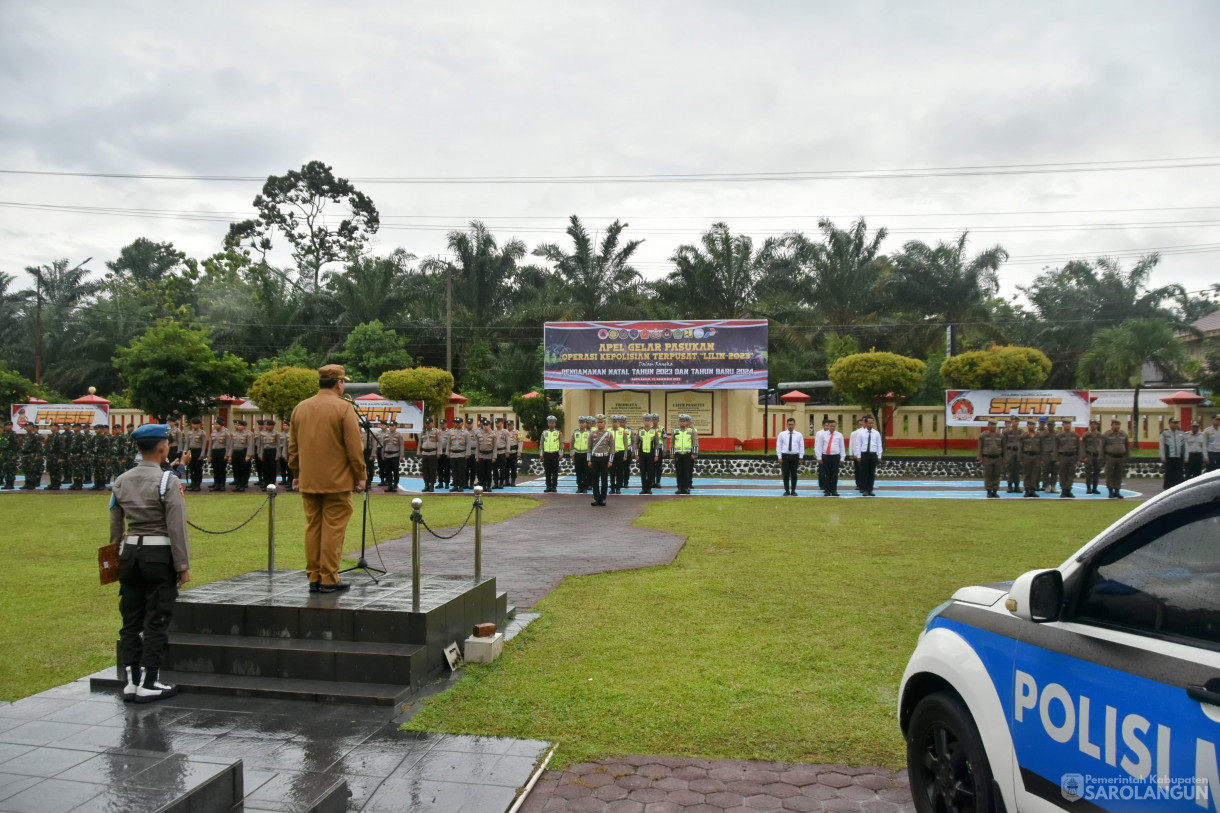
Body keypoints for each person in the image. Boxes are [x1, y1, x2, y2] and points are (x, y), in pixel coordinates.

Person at [110, 423, 190, 703]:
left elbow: (115, 526)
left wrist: (114, 558)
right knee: (156, 618)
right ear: (162, 447)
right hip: (158, 555)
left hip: (129, 553)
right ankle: (150, 681)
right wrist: (182, 565)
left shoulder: (121, 480)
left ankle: (131, 681)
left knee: (130, 620)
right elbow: (176, 527)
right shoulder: (169, 481)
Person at [288, 364, 367, 594]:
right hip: (337, 482)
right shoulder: (344, 408)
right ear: (339, 383)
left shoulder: (300, 408)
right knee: (333, 529)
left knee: (313, 527)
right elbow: (354, 448)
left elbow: (293, 449)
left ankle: (313, 576)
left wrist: (296, 474)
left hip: (310, 481)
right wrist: (360, 474)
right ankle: (329, 578)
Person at [852, 415, 882, 497]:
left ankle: (870, 489)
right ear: (865, 423)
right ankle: (865, 489)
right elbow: (858, 445)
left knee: (871, 473)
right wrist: (858, 455)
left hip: (873, 454)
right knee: (864, 472)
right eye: (869, 423)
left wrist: (879, 456)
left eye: (872, 423)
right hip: (864, 454)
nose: (871, 424)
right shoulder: (861, 433)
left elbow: (879, 445)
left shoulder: (876, 433)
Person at [587, 413, 613, 506]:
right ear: (596, 423)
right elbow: (589, 448)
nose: (600, 424)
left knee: (604, 479)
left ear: (605, 423)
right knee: (595, 479)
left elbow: (612, 448)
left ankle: (603, 499)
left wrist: (610, 460)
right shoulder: (592, 434)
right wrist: (589, 460)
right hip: (595, 458)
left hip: (604, 458)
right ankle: (596, 498)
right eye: (598, 422)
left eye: (601, 422)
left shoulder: (609, 434)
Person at [814, 418, 844, 497]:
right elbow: (819, 446)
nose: (832, 428)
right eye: (831, 426)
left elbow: (842, 447)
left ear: (835, 426)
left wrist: (842, 457)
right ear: (828, 426)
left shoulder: (839, 435)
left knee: (834, 474)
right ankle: (827, 490)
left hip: (835, 456)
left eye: (834, 426)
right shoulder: (823, 435)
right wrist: (819, 457)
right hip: (826, 456)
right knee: (826, 474)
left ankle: (834, 490)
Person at [1055, 418, 1083, 498]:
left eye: (1069, 424)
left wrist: (1078, 459)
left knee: (1070, 474)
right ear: (1062, 425)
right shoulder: (1059, 435)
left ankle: (1068, 490)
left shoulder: (1075, 435)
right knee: (1063, 474)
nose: (1067, 425)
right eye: (1065, 424)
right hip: (1062, 456)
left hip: (1072, 456)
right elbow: (1056, 448)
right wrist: (1056, 459)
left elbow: (1078, 448)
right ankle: (1063, 490)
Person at [671, 413, 699, 494]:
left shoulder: (691, 431)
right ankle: (680, 488)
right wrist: (672, 453)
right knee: (679, 472)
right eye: (681, 421)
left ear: (687, 422)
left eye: (684, 421)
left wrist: (694, 453)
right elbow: (672, 443)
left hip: (688, 454)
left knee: (686, 472)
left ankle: (686, 488)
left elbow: (695, 442)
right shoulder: (675, 431)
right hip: (678, 454)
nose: (682, 423)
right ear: (679, 422)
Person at [776, 417, 804, 496]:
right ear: (786, 425)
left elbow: (801, 446)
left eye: (792, 424)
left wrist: (801, 457)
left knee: (794, 474)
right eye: (789, 424)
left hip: (795, 456)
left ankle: (793, 490)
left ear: (794, 425)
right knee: (786, 474)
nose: (791, 426)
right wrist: (779, 457)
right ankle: (787, 490)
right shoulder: (782, 434)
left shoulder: (799, 435)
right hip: (785, 456)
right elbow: (779, 446)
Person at [1102, 419, 1130, 498]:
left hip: (1121, 457)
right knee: (1109, 474)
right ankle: (1110, 491)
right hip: (1110, 457)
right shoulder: (1107, 434)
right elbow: (1102, 447)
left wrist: (1127, 457)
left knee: (1119, 475)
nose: (1117, 426)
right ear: (1111, 425)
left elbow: (1127, 446)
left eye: (1118, 425)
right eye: (1115, 424)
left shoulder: (1123, 434)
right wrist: (1102, 458)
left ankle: (1117, 491)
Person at [977, 420, 1004, 498]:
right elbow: (980, 447)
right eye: (991, 424)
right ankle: (989, 491)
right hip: (987, 458)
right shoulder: (983, 435)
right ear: (988, 425)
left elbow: (1003, 447)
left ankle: (995, 491)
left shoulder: (1000, 435)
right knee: (988, 475)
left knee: (996, 475)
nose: (993, 426)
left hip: (998, 458)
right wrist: (980, 458)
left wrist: (1004, 458)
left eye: (995, 425)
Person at [635, 414, 660, 495]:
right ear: (643, 421)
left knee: (650, 471)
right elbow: (636, 443)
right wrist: (636, 454)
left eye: (648, 421)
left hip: (651, 454)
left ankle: (648, 488)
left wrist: (656, 455)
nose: (647, 422)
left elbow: (657, 444)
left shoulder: (654, 431)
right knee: (643, 472)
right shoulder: (640, 431)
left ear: (651, 422)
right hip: (642, 454)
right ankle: (643, 488)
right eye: (645, 420)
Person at [1160, 417, 1186, 490]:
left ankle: (1179, 487)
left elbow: (1185, 446)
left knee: (1179, 473)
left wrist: (1185, 457)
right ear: (1169, 424)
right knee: (1169, 473)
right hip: (1169, 457)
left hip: (1178, 456)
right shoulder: (1165, 433)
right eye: (1173, 423)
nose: (1175, 424)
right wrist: (1163, 457)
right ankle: (1167, 487)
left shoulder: (1181, 434)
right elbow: (1162, 446)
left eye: (1176, 423)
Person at [206, 418, 231, 492]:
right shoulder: (213, 433)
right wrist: (209, 455)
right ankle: (216, 484)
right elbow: (210, 444)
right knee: (215, 469)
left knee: (221, 469)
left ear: (221, 425)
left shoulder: (226, 432)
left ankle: (222, 485)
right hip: (214, 452)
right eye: (215, 424)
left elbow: (228, 445)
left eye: (217, 424)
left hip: (222, 452)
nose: (215, 426)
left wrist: (226, 455)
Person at [1019, 419, 1042, 498]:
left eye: (1033, 424)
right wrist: (1020, 459)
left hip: (1036, 456)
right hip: (1026, 456)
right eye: (1030, 424)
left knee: (1035, 474)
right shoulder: (1023, 436)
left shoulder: (1039, 435)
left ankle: (1033, 490)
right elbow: (1020, 448)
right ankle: (1027, 490)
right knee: (1027, 474)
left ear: (1035, 426)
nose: (1032, 426)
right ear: (1027, 426)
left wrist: (1042, 459)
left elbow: (1042, 448)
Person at [1081, 420, 1105, 495]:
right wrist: (1084, 456)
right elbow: (1083, 446)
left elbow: (1102, 446)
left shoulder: (1099, 435)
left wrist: (1102, 456)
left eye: (1095, 424)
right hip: (1089, 455)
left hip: (1097, 456)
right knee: (1088, 473)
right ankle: (1088, 488)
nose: (1094, 426)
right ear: (1090, 425)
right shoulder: (1086, 434)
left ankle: (1095, 488)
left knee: (1096, 472)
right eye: (1092, 424)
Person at [417, 417, 440, 492]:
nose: (427, 425)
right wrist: (419, 452)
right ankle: (426, 484)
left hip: (433, 453)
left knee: (432, 470)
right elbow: (420, 443)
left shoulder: (436, 431)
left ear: (432, 424)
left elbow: (440, 442)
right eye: (426, 423)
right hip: (425, 453)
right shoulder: (423, 432)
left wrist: (439, 453)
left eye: (429, 423)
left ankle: (432, 485)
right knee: (425, 470)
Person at [540, 415, 563, 492]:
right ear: (548, 423)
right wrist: (541, 454)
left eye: (552, 423)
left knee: (555, 471)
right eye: (549, 422)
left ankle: (554, 487)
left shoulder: (558, 432)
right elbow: (541, 444)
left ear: (555, 424)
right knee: (547, 471)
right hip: (546, 454)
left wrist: (561, 454)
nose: (551, 424)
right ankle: (548, 486)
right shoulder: (544, 432)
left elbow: (561, 444)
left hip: (555, 454)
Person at [446, 418, 470, 492]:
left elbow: (468, 444)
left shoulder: (466, 433)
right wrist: (447, 452)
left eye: (459, 422)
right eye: (456, 422)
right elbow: (448, 443)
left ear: (462, 423)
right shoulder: (451, 432)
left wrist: (467, 454)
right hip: (453, 454)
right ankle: (455, 486)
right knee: (454, 471)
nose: (457, 424)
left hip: (462, 454)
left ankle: (461, 486)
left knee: (461, 471)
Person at [229, 419, 253, 492]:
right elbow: (231, 445)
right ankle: (238, 485)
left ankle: (242, 485)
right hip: (235, 452)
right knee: (236, 469)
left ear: (244, 427)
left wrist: (248, 455)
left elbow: (250, 445)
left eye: (240, 425)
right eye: (238, 425)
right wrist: (230, 455)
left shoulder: (248, 434)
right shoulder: (234, 434)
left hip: (243, 452)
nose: (238, 426)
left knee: (243, 469)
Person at [184, 417, 207, 491]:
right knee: (192, 469)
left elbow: (204, 445)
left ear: (199, 425)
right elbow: (187, 443)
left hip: (198, 451)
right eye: (192, 424)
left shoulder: (202, 433)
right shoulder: (189, 432)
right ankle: (193, 483)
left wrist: (202, 455)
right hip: (191, 451)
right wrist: (185, 452)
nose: (193, 425)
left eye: (195, 424)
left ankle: (197, 484)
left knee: (198, 469)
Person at [380, 420, 403, 492]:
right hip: (387, 455)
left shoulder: (399, 435)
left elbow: (401, 445)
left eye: (393, 426)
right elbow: (383, 446)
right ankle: (389, 485)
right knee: (387, 471)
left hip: (395, 455)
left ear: (396, 427)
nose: (391, 427)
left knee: (395, 471)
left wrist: (401, 455)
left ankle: (395, 485)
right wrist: (382, 454)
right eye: (390, 426)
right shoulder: (386, 435)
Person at [1002, 417, 1023, 494]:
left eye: (1018, 421)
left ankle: (1017, 486)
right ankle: (1010, 486)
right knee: (1010, 469)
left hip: (1018, 452)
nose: (1017, 423)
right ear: (1011, 422)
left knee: (1017, 470)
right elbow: (1003, 443)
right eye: (1015, 421)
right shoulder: (1006, 431)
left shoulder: (1020, 432)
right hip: (1010, 451)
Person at [571, 416, 590, 494]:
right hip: (577, 454)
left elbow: (591, 445)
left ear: (586, 423)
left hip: (586, 454)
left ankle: (585, 487)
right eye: (580, 423)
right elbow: (572, 444)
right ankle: (579, 487)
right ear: (579, 424)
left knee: (586, 471)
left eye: (583, 423)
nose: (582, 424)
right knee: (578, 472)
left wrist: (590, 456)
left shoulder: (589, 433)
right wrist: (572, 454)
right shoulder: (575, 432)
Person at [1038, 419, 1058, 493]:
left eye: (1051, 425)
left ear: (1054, 426)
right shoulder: (1043, 433)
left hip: (1054, 454)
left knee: (1054, 472)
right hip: (1046, 454)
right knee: (1045, 472)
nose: (1050, 426)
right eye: (1049, 425)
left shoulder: (1057, 434)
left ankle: (1053, 486)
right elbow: (1039, 440)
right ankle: (1046, 486)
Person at [0, 420, 17, 489]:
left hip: (11, 453)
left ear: (11, 426)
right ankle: (7, 484)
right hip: (4, 454)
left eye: (8, 425)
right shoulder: (3, 434)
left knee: (11, 469)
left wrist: (15, 454)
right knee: (5, 469)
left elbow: (16, 446)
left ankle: (11, 484)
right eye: (6, 426)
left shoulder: (13, 434)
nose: (7, 427)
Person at [493, 417, 508, 489]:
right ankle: (495, 483)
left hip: (502, 452)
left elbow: (508, 442)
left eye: (498, 423)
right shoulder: (493, 432)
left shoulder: (505, 432)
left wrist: (507, 452)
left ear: (502, 423)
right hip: (495, 452)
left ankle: (501, 483)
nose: (497, 424)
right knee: (495, 469)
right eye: (496, 423)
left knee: (502, 468)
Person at [505, 419, 520, 487]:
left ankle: (513, 481)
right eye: (508, 425)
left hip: (514, 452)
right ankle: (506, 481)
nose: (509, 426)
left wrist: (519, 451)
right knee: (506, 467)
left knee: (513, 467)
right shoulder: (504, 432)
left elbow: (520, 442)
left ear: (513, 425)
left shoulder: (517, 432)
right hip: (506, 452)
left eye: (510, 425)